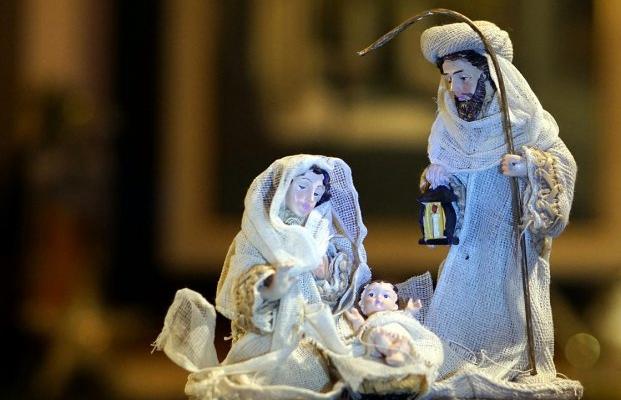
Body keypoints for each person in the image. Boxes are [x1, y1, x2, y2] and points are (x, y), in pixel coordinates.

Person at [417, 20, 578, 393]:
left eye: (464, 77)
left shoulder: (524, 124)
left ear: (490, 74)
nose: (456, 89)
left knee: (512, 315)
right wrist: (439, 180)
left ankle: (513, 369)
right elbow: (452, 194)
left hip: (510, 246)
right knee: (455, 314)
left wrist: (530, 166)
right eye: (449, 79)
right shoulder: (449, 131)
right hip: (469, 250)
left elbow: (562, 165)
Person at [344, 280, 427, 366]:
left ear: (395, 306)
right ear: (362, 306)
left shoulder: (396, 316)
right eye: (371, 295)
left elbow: (405, 320)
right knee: (376, 334)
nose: (378, 299)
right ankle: (391, 351)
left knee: (404, 342)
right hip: (378, 341)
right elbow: (362, 332)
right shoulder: (370, 321)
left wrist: (410, 311)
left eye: (386, 296)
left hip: (399, 336)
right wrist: (357, 322)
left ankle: (399, 354)